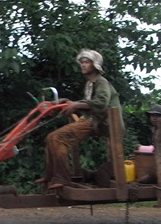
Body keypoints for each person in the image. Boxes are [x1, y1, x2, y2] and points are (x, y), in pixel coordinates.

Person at [36, 49, 124, 190]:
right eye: (82, 62)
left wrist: (76, 104)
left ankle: (62, 179)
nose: (83, 65)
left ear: (94, 64)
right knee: (50, 138)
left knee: (58, 138)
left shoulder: (101, 82)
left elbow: (101, 103)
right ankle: (52, 175)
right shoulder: (90, 84)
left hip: (102, 122)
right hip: (92, 119)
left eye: (87, 62)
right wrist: (68, 102)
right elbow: (88, 104)